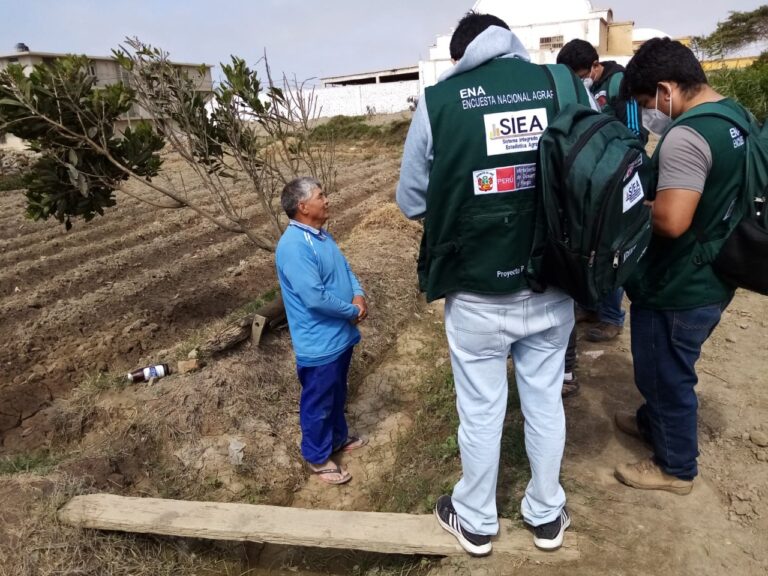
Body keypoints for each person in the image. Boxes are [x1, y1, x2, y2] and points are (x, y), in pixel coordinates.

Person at [396, 12, 591, 556]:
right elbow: (595, 171)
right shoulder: (564, 85)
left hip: (477, 291)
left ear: (461, 56)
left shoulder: (439, 102)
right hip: (553, 283)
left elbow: (411, 200)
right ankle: (546, 516)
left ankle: (477, 521)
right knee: (545, 402)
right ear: (511, 42)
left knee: (481, 409)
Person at [614, 38, 743, 494]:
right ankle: (653, 423)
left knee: (663, 372)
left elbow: (672, 220)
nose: (651, 113)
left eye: (649, 102)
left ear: (667, 90)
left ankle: (675, 467)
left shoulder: (687, 136)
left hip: (679, 283)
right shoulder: (735, 116)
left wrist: (633, 205)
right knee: (671, 361)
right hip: (716, 271)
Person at [275, 177, 369, 486]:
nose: (326, 199)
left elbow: (346, 269)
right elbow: (314, 298)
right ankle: (317, 457)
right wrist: (352, 311)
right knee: (318, 401)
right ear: (303, 207)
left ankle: (337, 439)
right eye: (320, 195)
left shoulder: (321, 236)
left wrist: (358, 295)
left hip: (339, 336)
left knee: (337, 392)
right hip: (319, 342)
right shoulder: (293, 246)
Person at [556, 38, 646, 343]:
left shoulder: (619, 82)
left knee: (608, 246)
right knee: (586, 242)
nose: (579, 81)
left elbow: (634, 132)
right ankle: (590, 306)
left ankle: (611, 317)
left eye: (582, 74)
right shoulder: (587, 88)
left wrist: (614, 163)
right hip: (592, 176)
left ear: (596, 65)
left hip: (614, 174)